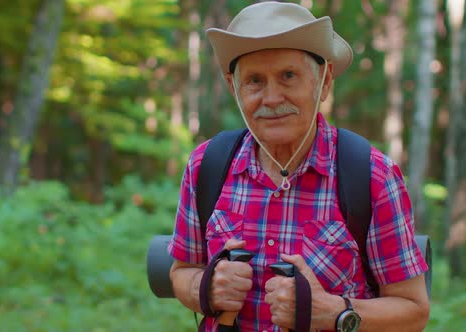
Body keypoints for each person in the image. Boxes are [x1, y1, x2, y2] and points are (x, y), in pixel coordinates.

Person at [168, 2, 430, 331]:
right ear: (233, 86)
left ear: (324, 79)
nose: (272, 97)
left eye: (288, 76)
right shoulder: (206, 166)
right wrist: (203, 287)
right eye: (254, 81)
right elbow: (181, 271)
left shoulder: (372, 176)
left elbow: (414, 311)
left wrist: (334, 311)